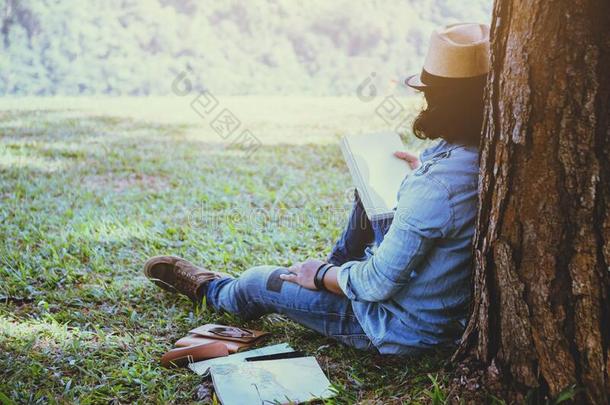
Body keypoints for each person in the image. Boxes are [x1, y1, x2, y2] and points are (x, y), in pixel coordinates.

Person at [144, 22, 490, 355]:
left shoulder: (435, 188)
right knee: (367, 185)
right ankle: (328, 272)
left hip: (397, 325)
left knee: (257, 282)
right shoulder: (481, 156)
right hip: (431, 300)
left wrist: (322, 276)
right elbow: (442, 203)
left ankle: (214, 289)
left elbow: (376, 283)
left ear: (440, 100)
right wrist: (417, 173)